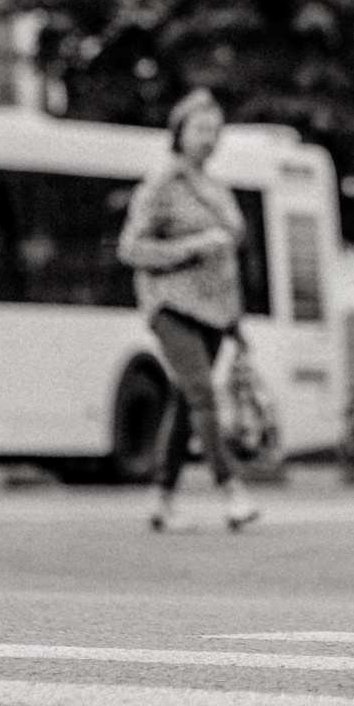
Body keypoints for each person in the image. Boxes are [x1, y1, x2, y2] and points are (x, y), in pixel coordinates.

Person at [116, 88, 260, 532]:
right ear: (179, 131)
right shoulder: (163, 183)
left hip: (215, 312)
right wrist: (195, 245)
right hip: (171, 306)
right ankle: (231, 488)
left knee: (185, 402)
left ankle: (162, 499)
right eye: (200, 129)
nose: (209, 138)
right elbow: (131, 248)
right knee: (202, 394)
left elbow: (229, 261)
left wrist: (235, 320)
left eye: (216, 130)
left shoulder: (217, 187)